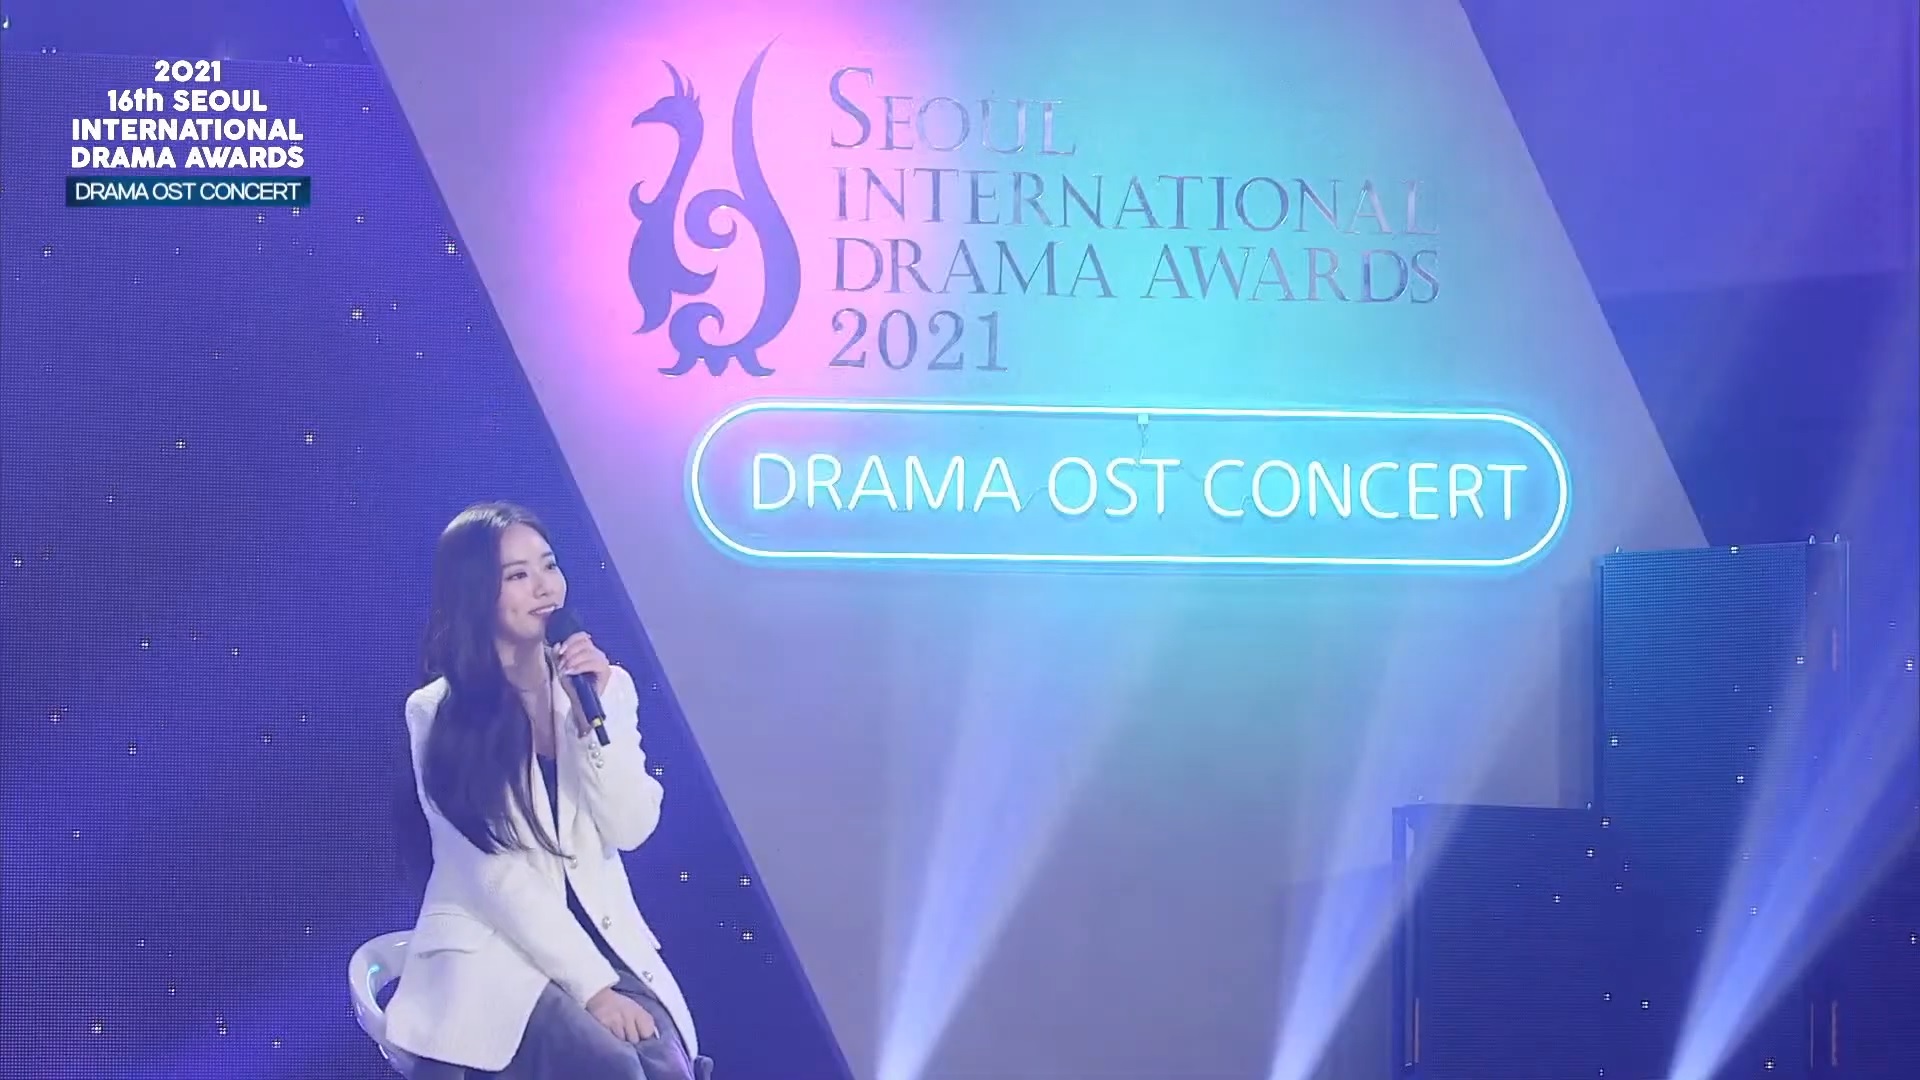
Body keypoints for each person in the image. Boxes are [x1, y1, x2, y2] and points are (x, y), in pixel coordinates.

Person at [384, 502, 710, 1080]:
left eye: (549, 566)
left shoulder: (602, 686)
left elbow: (631, 827)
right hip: (494, 948)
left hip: (599, 938)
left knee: (665, 1063)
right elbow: (491, 873)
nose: (544, 587)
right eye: (518, 575)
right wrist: (595, 990)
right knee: (613, 1066)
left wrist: (592, 727)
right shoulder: (438, 712)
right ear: (476, 594)